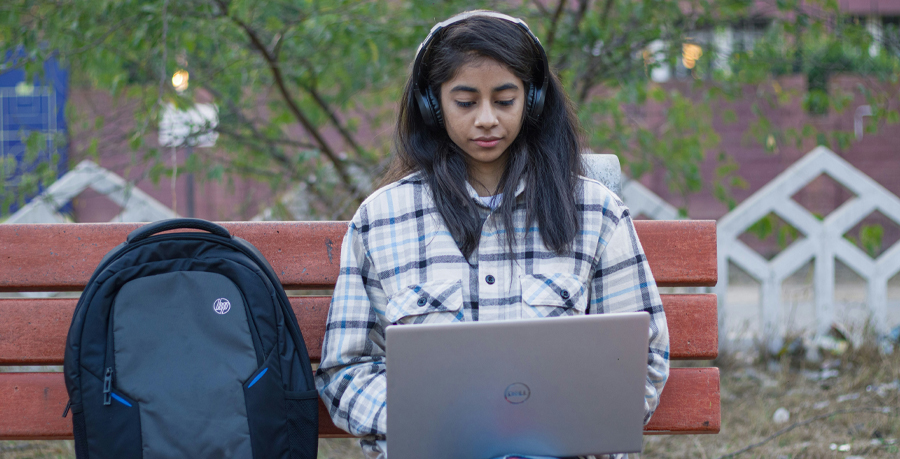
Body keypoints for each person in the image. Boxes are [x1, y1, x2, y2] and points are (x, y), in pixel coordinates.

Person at [315, 10, 669, 459]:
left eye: (504, 100)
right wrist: (423, 424)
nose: (486, 119)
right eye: (465, 102)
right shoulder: (381, 219)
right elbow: (347, 368)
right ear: (432, 104)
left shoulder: (595, 213)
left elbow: (644, 358)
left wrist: (567, 434)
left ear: (533, 101)